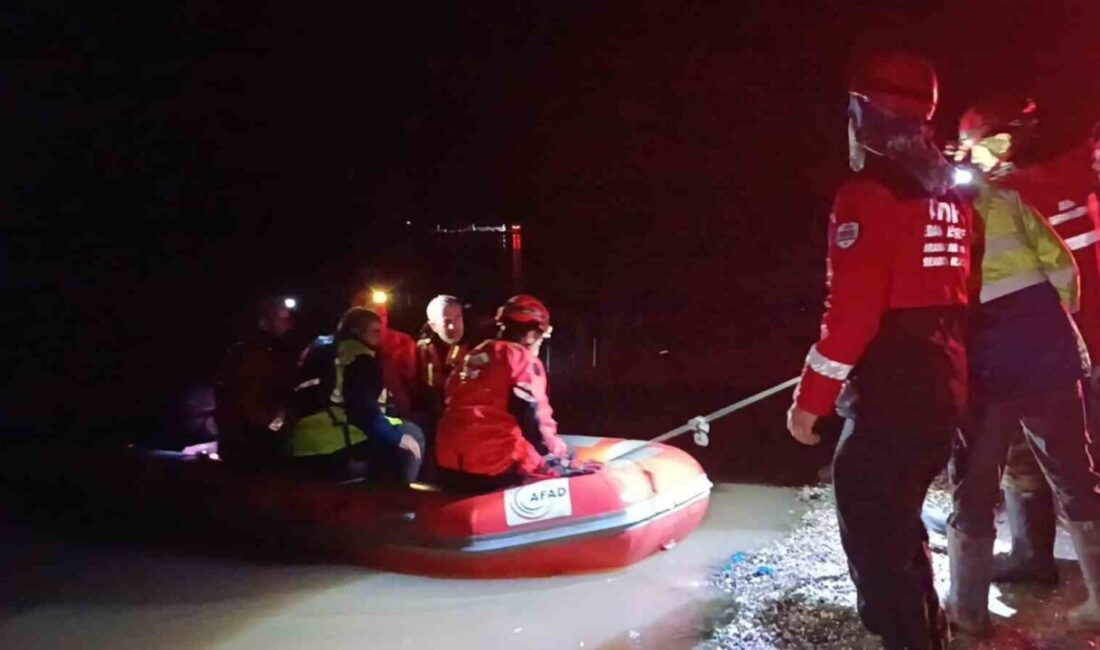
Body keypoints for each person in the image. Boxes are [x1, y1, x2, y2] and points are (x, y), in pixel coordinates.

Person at [786, 52, 972, 649]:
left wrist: (809, 401)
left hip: (893, 393)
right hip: (945, 383)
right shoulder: (953, 197)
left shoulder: (867, 194)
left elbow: (852, 315)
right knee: (900, 527)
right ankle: (928, 636)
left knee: (875, 536)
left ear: (864, 114)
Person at [946, 96, 1100, 636]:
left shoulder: (968, 205)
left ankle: (967, 610)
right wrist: (1063, 329)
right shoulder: (1017, 196)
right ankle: (1051, 569)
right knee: (1062, 469)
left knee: (983, 477)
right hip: (1053, 345)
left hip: (1011, 353)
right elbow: (1064, 270)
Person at [980, 112, 1100, 586]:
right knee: (1080, 463)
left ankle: (1032, 558)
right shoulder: (1079, 171)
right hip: (1078, 344)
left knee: (1028, 456)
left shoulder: (1008, 196)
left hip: (1050, 349)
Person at [435, 295, 570, 491]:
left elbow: (451, 399)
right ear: (532, 333)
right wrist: (556, 455)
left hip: (449, 467)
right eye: (542, 335)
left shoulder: (472, 355)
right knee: (562, 462)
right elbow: (533, 416)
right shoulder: (521, 359)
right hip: (494, 468)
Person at [285, 308, 424, 484]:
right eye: (375, 331)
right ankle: (399, 500)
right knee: (412, 433)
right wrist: (397, 438)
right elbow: (362, 407)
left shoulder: (317, 347)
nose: (380, 336)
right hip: (333, 440)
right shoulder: (360, 356)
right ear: (357, 331)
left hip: (299, 440)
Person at [214, 297, 297, 466]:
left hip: (249, 442)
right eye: (282, 319)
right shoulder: (254, 354)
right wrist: (278, 427)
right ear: (264, 322)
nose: (288, 325)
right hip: (251, 447)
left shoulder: (268, 352)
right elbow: (249, 405)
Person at [415, 295, 470, 422]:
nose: (453, 326)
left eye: (458, 318)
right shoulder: (421, 350)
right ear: (433, 326)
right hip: (434, 414)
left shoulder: (478, 347)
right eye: (447, 321)